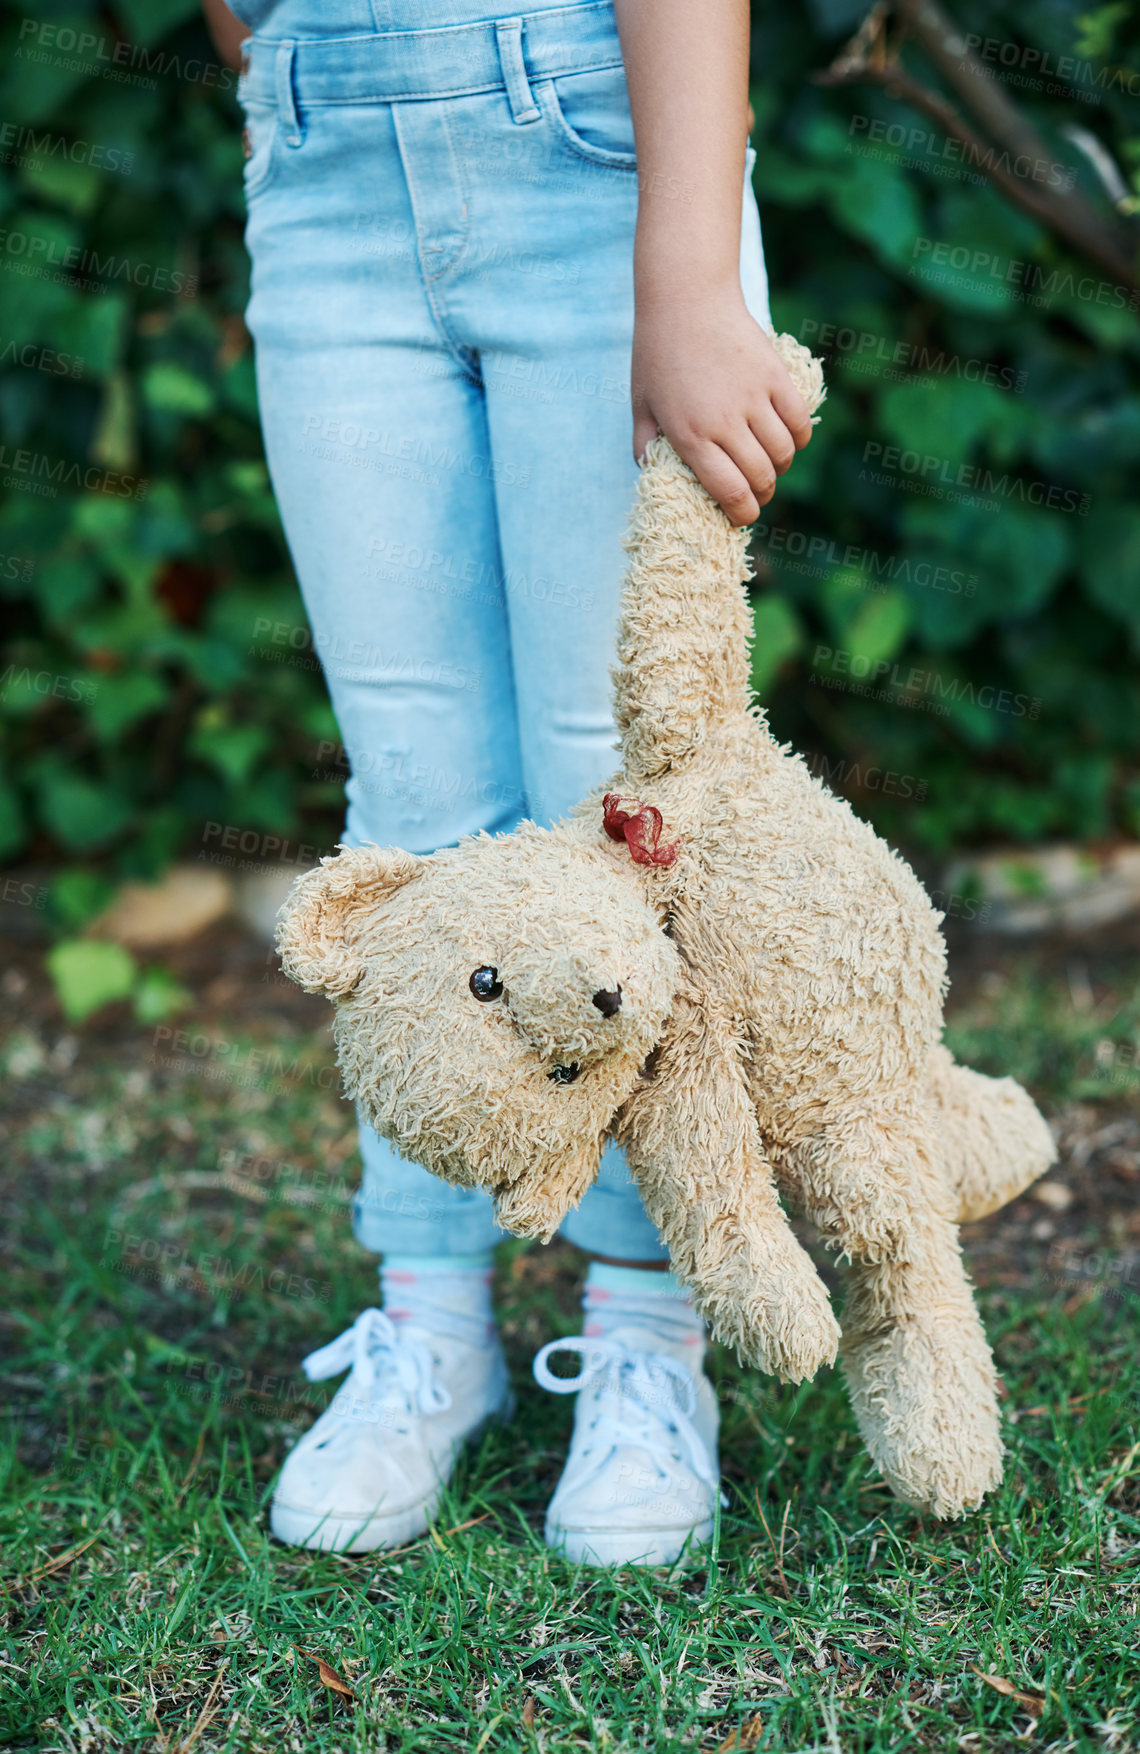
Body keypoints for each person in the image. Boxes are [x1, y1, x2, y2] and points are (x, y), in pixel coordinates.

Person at [206, 0, 813, 1566]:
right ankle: (430, 1322)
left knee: (621, 799)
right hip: (325, 145)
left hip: (598, 144)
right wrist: (289, 77)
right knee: (409, 802)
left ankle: (644, 1330)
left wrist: (681, 277)